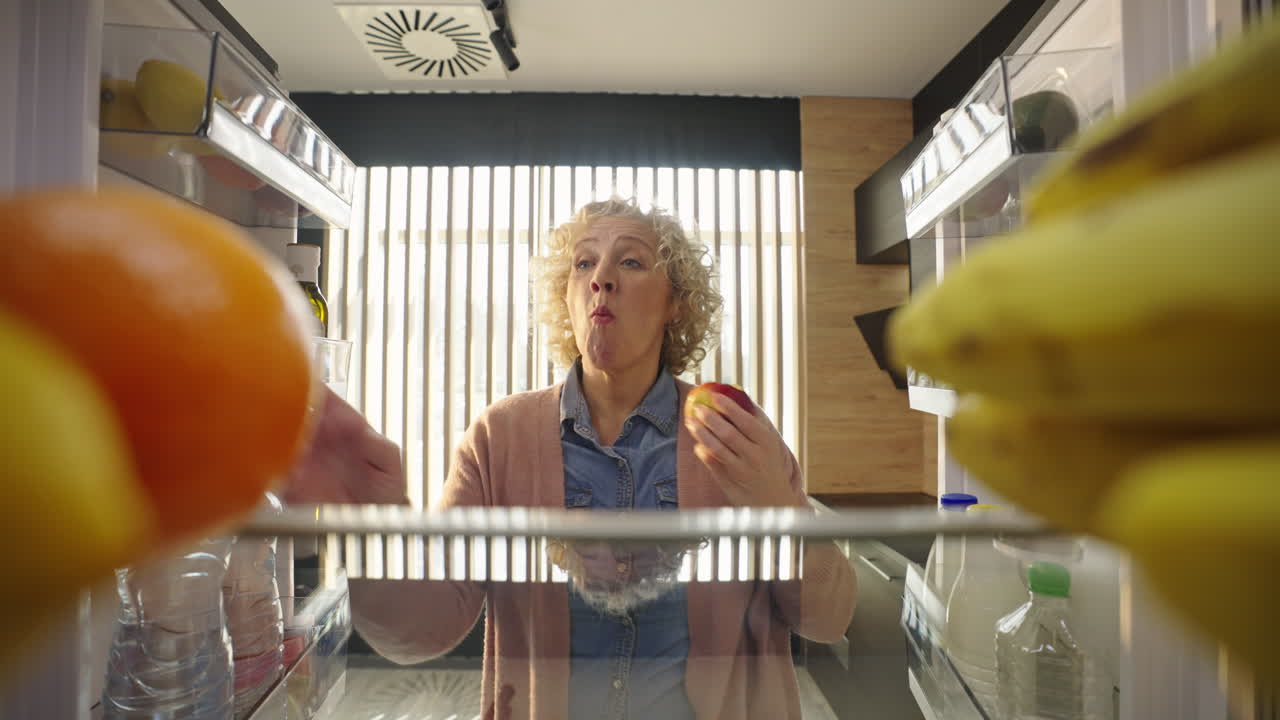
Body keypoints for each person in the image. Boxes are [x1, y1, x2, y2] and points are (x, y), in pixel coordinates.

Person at [285, 197, 856, 720]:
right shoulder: (499, 437)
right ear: (566, 295)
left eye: (630, 263)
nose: (601, 279)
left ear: (676, 303)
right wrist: (376, 520)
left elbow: (828, 619)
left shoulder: (735, 434)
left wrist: (778, 508)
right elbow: (415, 633)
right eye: (583, 265)